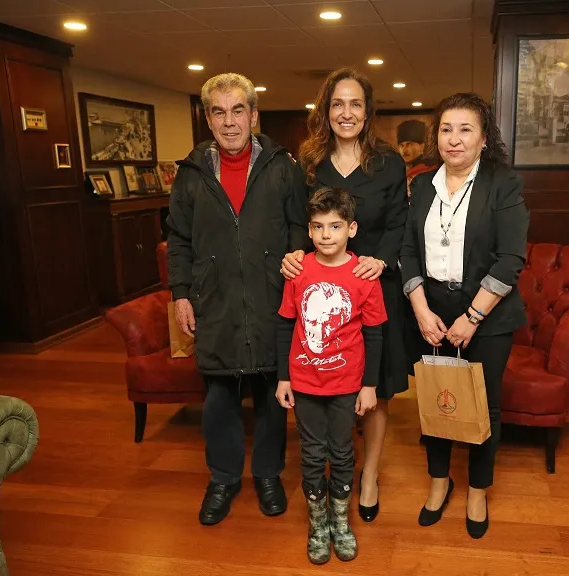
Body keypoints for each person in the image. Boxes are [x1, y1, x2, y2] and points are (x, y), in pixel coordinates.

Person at [166, 72, 309, 526]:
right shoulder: (190, 174)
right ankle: (223, 478)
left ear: (253, 115)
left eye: (238, 110)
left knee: (271, 394)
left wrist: (295, 264)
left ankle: (268, 474)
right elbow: (178, 239)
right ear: (208, 119)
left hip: (271, 297)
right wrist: (181, 295)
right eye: (219, 112)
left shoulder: (283, 167)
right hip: (215, 299)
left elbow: (299, 227)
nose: (229, 122)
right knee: (219, 398)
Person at [280, 67, 409, 523]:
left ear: (368, 111)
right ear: (326, 111)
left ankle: (368, 475)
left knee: (375, 388)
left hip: (372, 284)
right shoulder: (308, 163)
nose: (346, 112)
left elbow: (399, 223)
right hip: (320, 288)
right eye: (338, 104)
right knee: (325, 378)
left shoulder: (388, 163)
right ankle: (328, 478)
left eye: (356, 104)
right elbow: (296, 219)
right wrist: (294, 252)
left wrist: (383, 261)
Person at [400, 92, 529, 539]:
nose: (454, 139)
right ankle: (440, 482)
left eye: (465, 129)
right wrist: (421, 310)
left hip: (488, 315)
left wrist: (472, 317)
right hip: (432, 314)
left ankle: (477, 489)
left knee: (483, 404)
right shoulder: (421, 185)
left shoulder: (502, 183)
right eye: (446, 129)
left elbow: (511, 259)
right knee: (437, 397)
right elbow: (407, 250)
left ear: (484, 137)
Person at [276, 187, 386, 564]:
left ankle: (340, 521)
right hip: (304, 383)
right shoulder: (298, 271)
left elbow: (374, 334)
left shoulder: (364, 276)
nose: (326, 235)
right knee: (311, 454)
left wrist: (369, 385)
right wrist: (284, 377)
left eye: (335, 226)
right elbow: (285, 325)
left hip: (346, 384)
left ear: (351, 229)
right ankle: (318, 523)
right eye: (318, 226)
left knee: (341, 452)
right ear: (309, 230)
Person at [396, 119, 437, 197]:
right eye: (401, 145)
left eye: (409, 144)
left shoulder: (430, 171)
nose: (404, 150)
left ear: (421, 146)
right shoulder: (398, 171)